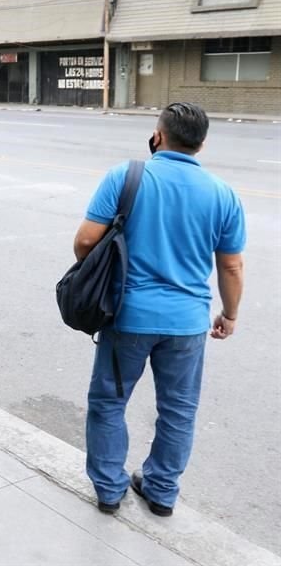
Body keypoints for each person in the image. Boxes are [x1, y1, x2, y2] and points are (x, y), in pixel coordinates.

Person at [76, 103, 246, 517]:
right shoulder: (223, 194)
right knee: (178, 410)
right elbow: (231, 265)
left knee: (109, 403)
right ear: (201, 144)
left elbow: (84, 242)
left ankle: (110, 490)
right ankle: (161, 491)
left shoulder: (126, 177)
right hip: (188, 323)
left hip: (129, 316)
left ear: (158, 136)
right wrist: (230, 314)